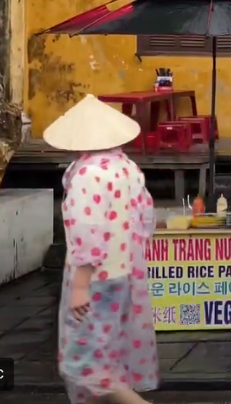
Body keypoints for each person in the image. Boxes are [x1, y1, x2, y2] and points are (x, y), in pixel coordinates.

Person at [46, 95, 157, 404]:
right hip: (121, 273)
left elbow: (87, 231)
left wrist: (81, 284)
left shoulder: (87, 174)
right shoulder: (128, 168)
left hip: (95, 278)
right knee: (104, 354)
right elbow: (146, 218)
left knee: (86, 365)